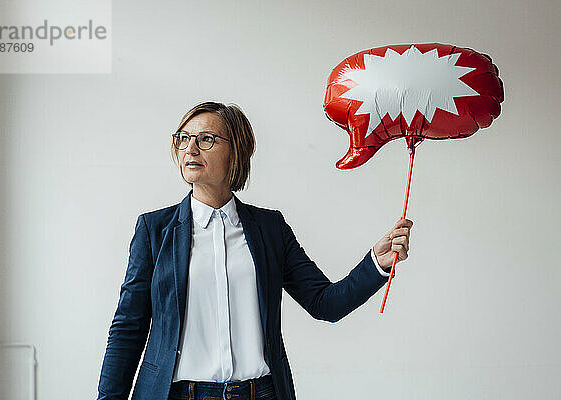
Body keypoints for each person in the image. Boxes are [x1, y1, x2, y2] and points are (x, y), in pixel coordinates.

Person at [96, 101, 413, 400]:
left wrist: (376, 263)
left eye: (206, 139)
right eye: (183, 139)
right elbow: (128, 328)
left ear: (235, 150)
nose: (190, 149)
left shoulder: (270, 229)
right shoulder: (155, 231)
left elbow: (324, 303)